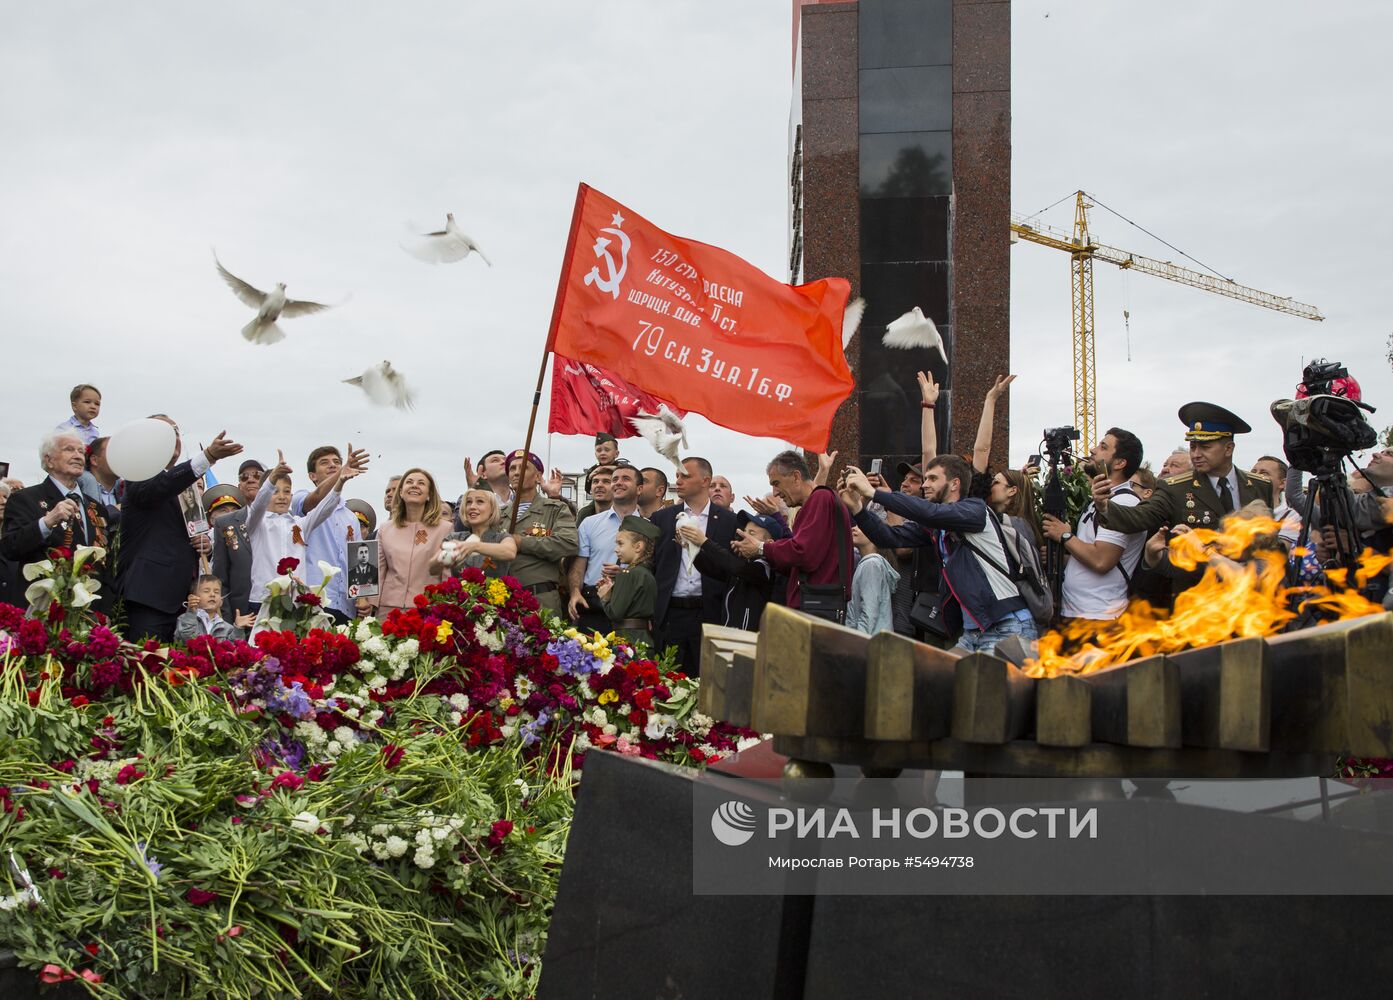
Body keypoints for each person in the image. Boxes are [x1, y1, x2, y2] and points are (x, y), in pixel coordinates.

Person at [841, 456, 1032, 654]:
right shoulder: (937, 527)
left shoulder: (976, 510)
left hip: (1006, 625)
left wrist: (873, 493)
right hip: (973, 632)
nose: (925, 485)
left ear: (954, 483)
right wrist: (857, 508)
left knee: (981, 684)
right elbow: (889, 537)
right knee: (941, 681)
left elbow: (930, 512)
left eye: (932, 479)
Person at [1094, 403, 1272, 600]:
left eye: (1205, 447)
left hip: (1251, 600)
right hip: (1197, 604)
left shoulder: (1259, 486)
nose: (1196, 454)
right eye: (1193, 447)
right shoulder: (1175, 488)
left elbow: (1267, 544)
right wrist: (1105, 506)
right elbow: (1141, 516)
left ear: (1228, 448)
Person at [117, 418, 243, 641]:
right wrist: (208, 457)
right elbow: (160, 487)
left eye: (176, 432)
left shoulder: (187, 487)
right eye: (164, 432)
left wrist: (205, 545)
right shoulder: (139, 473)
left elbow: (192, 534)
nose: (173, 437)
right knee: (147, 666)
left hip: (185, 601)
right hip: (150, 597)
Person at [1042, 427, 1148, 624]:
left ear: (1120, 463)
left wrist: (1065, 536)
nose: (1092, 449)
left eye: (1103, 447)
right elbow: (1089, 554)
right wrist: (1061, 559)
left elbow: (1102, 560)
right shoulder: (1100, 500)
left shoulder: (1122, 503)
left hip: (1098, 618)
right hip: (1081, 614)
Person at [1, 432, 117, 607]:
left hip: (88, 612)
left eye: (80, 451)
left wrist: (106, 609)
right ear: (49, 460)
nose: (78, 455)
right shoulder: (25, 498)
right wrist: (46, 522)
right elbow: (10, 547)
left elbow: (104, 562)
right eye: (69, 449)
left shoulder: (96, 507)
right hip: (44, 608)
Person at [734, 450, 852, 618]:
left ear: (796, 477)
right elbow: (801, 564)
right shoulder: (818, 501)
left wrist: (761, 548)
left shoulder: (821, 498)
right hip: (818, 605)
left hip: (816, 609)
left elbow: (804, 554)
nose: (775, 493)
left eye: (776, 483)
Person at [653, 456, 736, 673]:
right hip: (671, 615)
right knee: (669, 684)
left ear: (705, 481)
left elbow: (731, 567)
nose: (678, 481)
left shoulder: (729, 522)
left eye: (685, 476)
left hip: (711, 614)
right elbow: (654, 565)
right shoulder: (661, 519)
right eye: (677, 476)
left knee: (708, 683)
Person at [246, 450, 355, 612]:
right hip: (264, 600)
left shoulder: (300, 524)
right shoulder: (256, 523)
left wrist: (340, 482)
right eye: (275, 491)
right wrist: (272, 477)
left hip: (296, 602)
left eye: (287, 491)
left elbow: (324, 510)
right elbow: (259, 504)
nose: (282, 496)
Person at [293, 444, 371, 624]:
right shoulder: (300, 498)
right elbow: (317, 498)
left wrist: (364, 598)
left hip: (346, 605)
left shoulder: (351, 516)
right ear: (312, 475)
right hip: (314, 602)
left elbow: (361, 560)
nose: (333, 465)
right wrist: (340, 476)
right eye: (324, 463)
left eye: (337, 462)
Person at [501, 450, 578, 615]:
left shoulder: (555, 509)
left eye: (523, 468)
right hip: (502, 601)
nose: (516, 473)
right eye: (512, 469)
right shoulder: (497, 515)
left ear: (538, 477)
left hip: (540, 601)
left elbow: (568, 544)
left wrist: (521, 542)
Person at [369, 467, 454, 617]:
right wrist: (369, 602)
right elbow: (378, 571)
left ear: (429, 495)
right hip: (388, 609)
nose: (414, 485)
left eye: (421, 483)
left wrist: (446, 607)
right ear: (401, 492)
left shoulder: (445, 529)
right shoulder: (385, 529)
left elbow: (447, 573)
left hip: (427, 608)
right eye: (409, 482)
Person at [569, 462, 642, 634]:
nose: (618, 482)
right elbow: (579, 566)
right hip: (593, 605)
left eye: (625, 478)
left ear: (639, 489)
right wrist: (574, 593)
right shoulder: (589, 523)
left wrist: (625, 575)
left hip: (631, 608)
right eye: (615, 479)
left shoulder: (650, 527)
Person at [687, 510, 786, 631]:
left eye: (752, 533)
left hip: (750, 642)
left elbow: (736, 567)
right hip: (731, 635)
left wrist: (704, 542)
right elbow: (713, 569)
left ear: (769, 543)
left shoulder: (765, 567)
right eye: (745, 531)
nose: (744, 535)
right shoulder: (744, 562)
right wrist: (691, 547)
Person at [596, 514, 659, 650]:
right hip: (644, 640)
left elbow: (615, 613)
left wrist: (605, 596)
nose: (616, 549)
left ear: (638, 547)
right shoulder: (646, 573)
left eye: (620, 543)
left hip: (627, 642)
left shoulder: (628, 574)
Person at [434, 487, 518, 580]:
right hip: (460, 594)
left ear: (492, 509)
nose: (472, 507)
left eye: (480, 502)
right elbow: (432, 568)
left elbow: (510, 552)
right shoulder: (455, 538)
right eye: (469, 502)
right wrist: (444, 557)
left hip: (494, 593)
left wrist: (474, 546)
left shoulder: (501, 537)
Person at [208, 484, 252, 621]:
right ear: (211, 518)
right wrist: (226, 618)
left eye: (234, 510)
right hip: (237, 611)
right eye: (223, 510)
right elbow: (220, 578)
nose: (229, 514)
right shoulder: (208, 538)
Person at [847, 525, 900, 635]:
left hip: (867, 643)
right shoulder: (870, 563)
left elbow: (869, 612)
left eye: (861, 526)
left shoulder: (871, 565)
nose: (853, 528)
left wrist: (856, 642)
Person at [174, 575, 254, 642]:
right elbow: (187, 638)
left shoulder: (227, 627)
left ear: (221, 601)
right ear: (192, 598)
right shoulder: (184, 619)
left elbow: (234, 649)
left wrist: (238, 628)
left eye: (216, 592)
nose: (212, 594)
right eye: (206, 591)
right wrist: (191, 612)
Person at [1250, 455, 1300, 549]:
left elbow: (1281, 550)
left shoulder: (1292, 516)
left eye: (1264, 473)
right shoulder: (1240, 506)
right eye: (1253, 472)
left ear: (1282, 483)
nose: (1255, 476)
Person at [987, 468, 1042, 550]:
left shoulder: (1014, 526)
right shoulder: (1021, 525)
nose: (990, 485)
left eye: (996, 482)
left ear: (1012, 491)